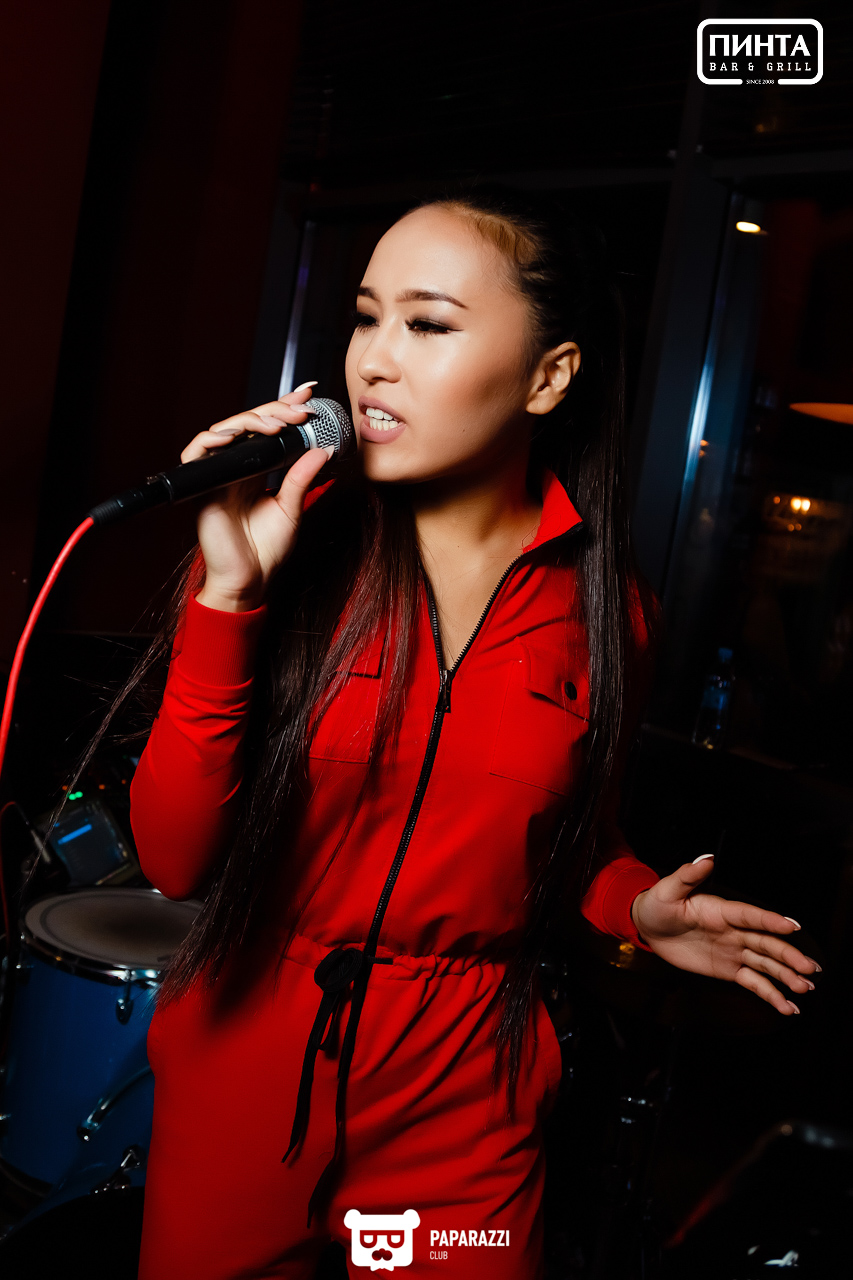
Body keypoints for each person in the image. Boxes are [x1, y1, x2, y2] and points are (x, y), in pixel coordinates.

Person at [128, 190, 819, 1279]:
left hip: (468, 1090)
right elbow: (174, 861)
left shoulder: (606, 609)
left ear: (548, 376)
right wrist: (226, 597)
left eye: (427, 323)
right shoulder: (290, 556)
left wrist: (634, 909)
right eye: (366, 317)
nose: (372, 362)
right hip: (246, 1064)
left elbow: (572, 841)